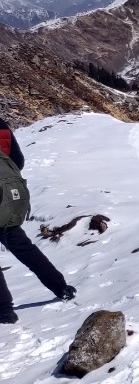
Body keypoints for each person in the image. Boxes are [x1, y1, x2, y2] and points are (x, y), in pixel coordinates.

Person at [0, 117, 75, 324]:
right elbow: (18, 160)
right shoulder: (1, 125)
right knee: (25, 248)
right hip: (5, 202)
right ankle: (61, 287)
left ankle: (4, 310)